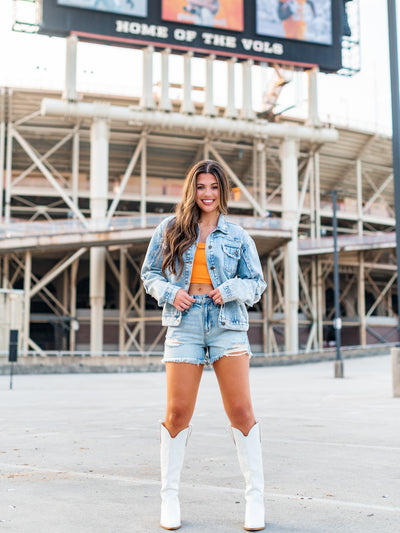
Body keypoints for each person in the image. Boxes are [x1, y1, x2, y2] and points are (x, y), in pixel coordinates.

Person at [141, 160, 267, 531]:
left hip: (227, 324)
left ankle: (255, 498)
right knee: (177, 413)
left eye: (213, 186)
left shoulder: (238, 235)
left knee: (242, 412)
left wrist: (229, 290)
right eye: (201, 187)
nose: (207, 193)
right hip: (185, 324)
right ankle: (169, 496)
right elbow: (150, 274)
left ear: (222, 191)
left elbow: (256, 283)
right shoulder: (170, 229)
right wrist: (171, 291)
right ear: (191, 190)